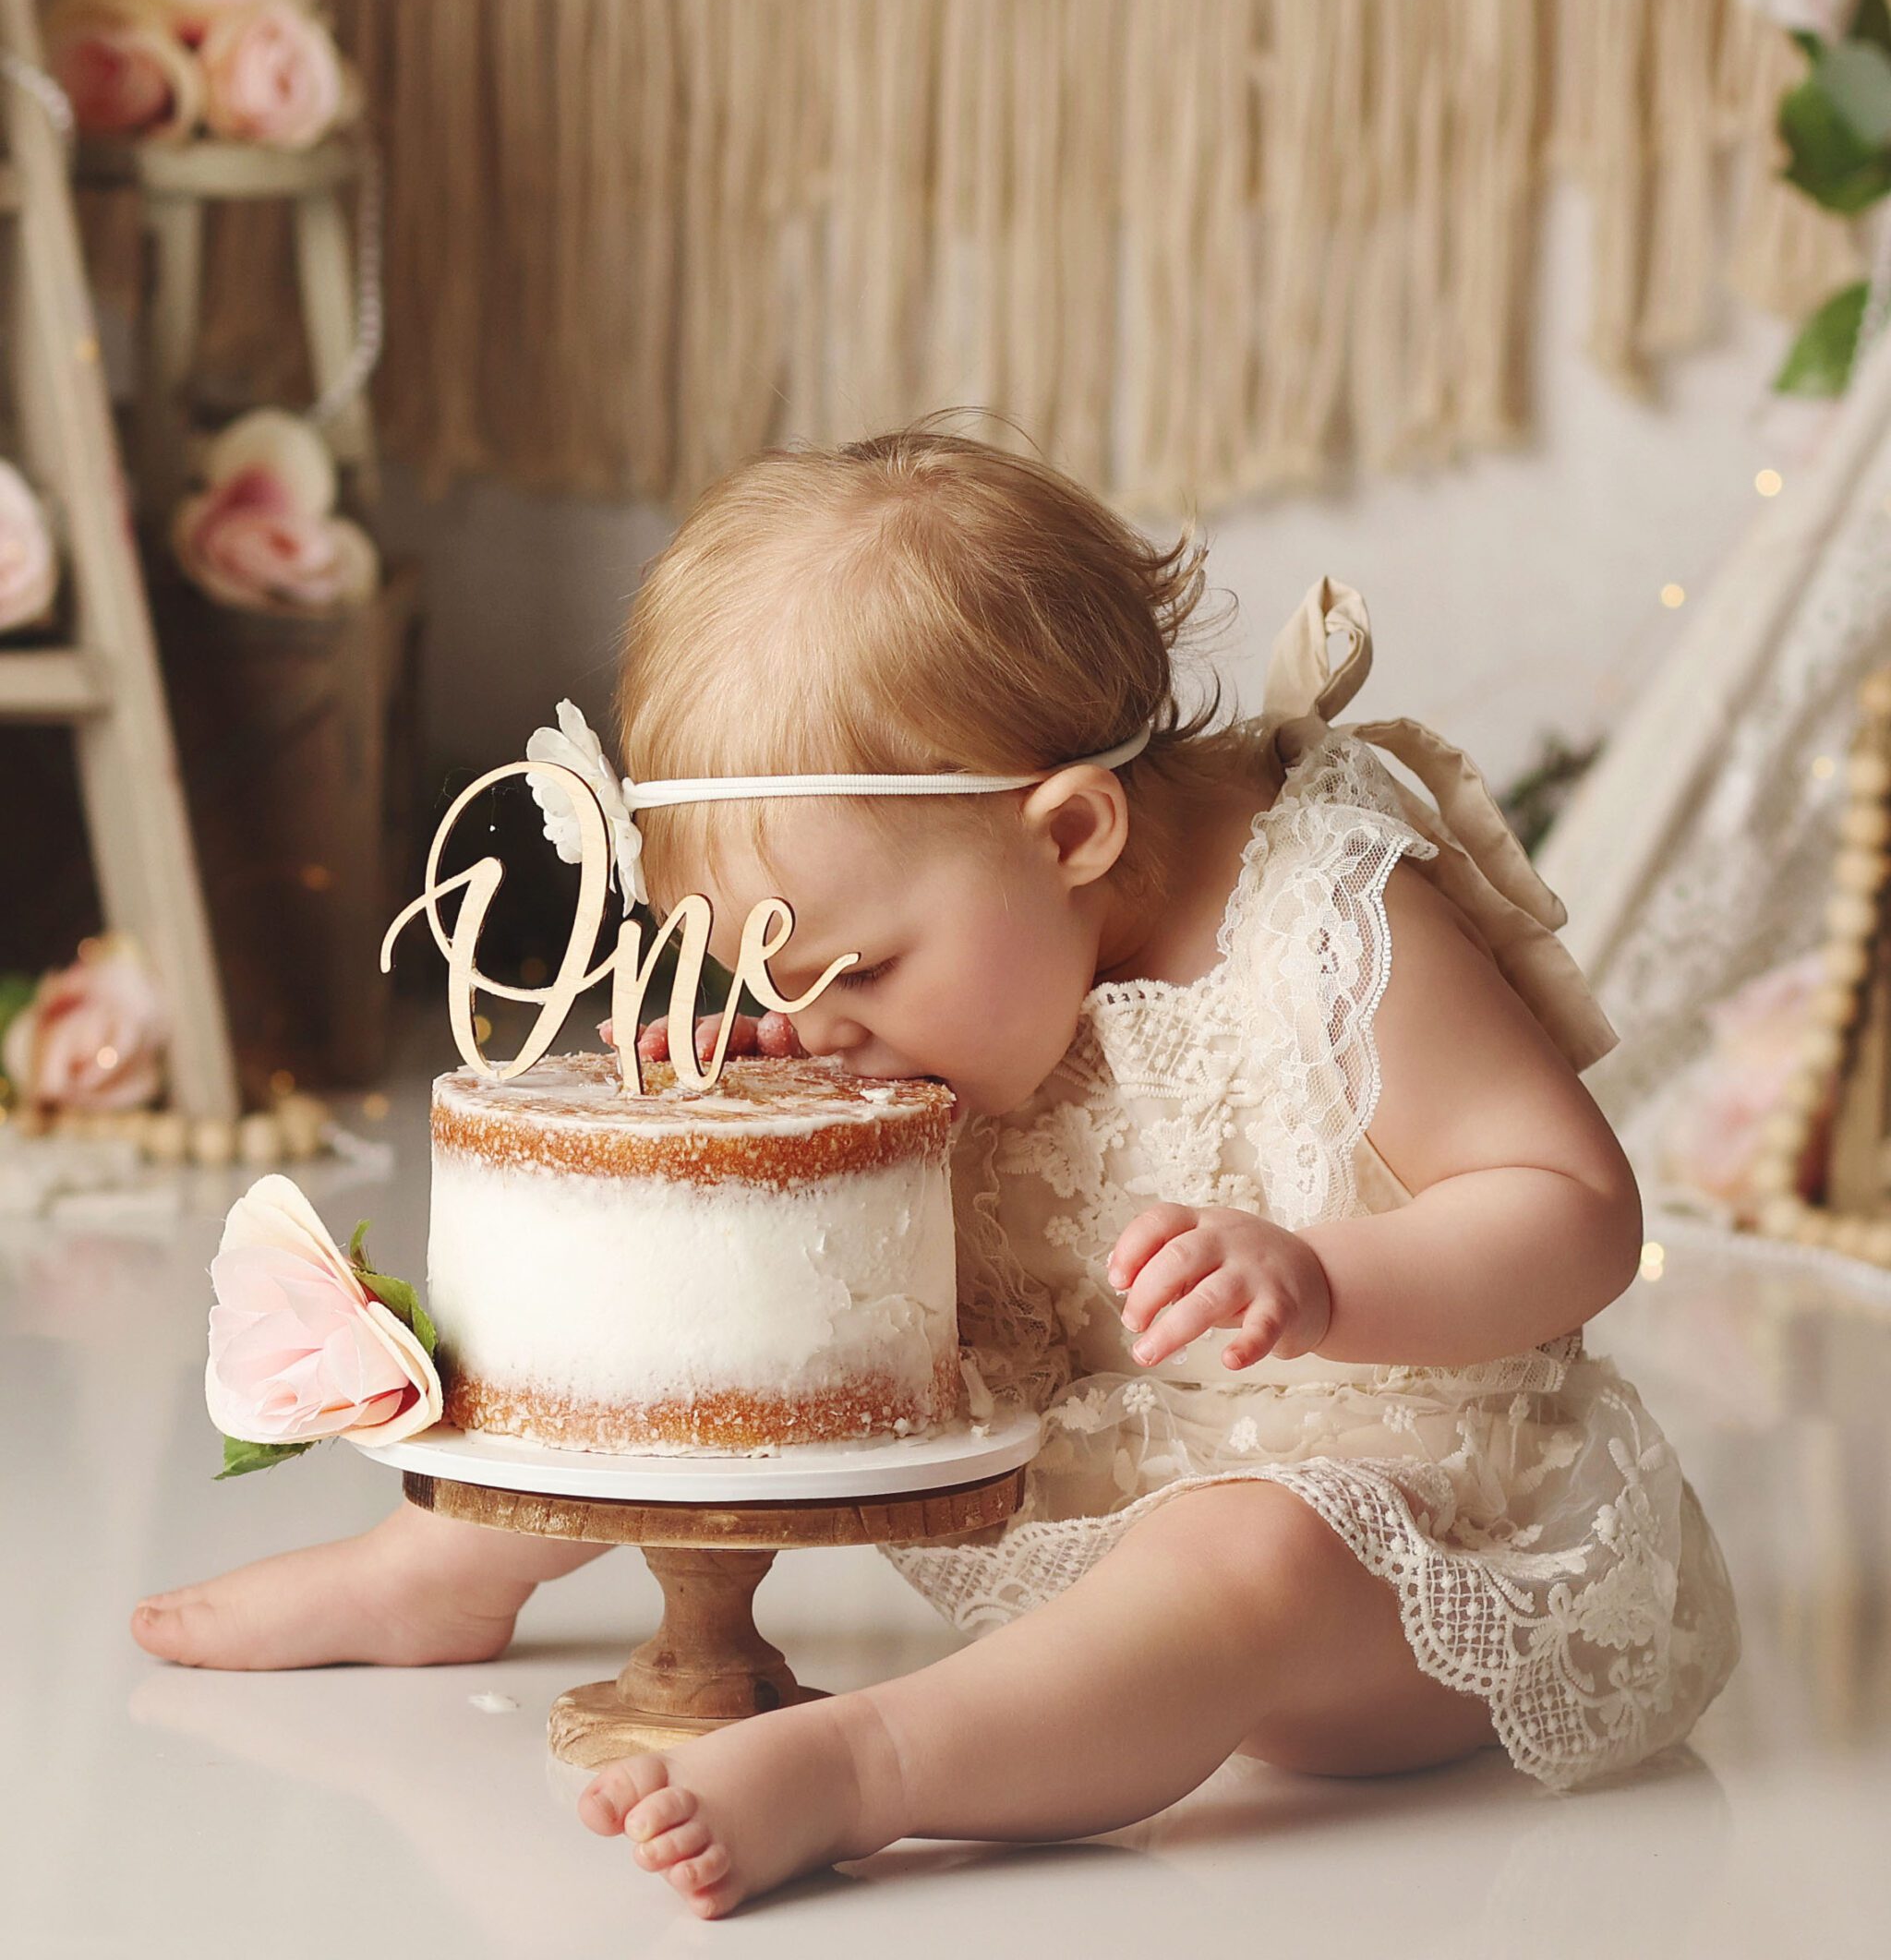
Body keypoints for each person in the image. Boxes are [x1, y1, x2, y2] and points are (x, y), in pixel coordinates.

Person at [133, 426, 1740, 1920]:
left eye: (860, 970)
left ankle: (877, 1767)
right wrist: (799, 1111)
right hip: (1088, 1462)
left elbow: (1577, 1209)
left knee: (1245, 1550)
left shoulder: (1328, 920)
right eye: (776, 973)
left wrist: (1323, 1280)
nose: (821, 1021)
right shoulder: (973, 969)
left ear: (1072, 834)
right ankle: (445, 1568)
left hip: (1408, 1541)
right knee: (763, 1334)